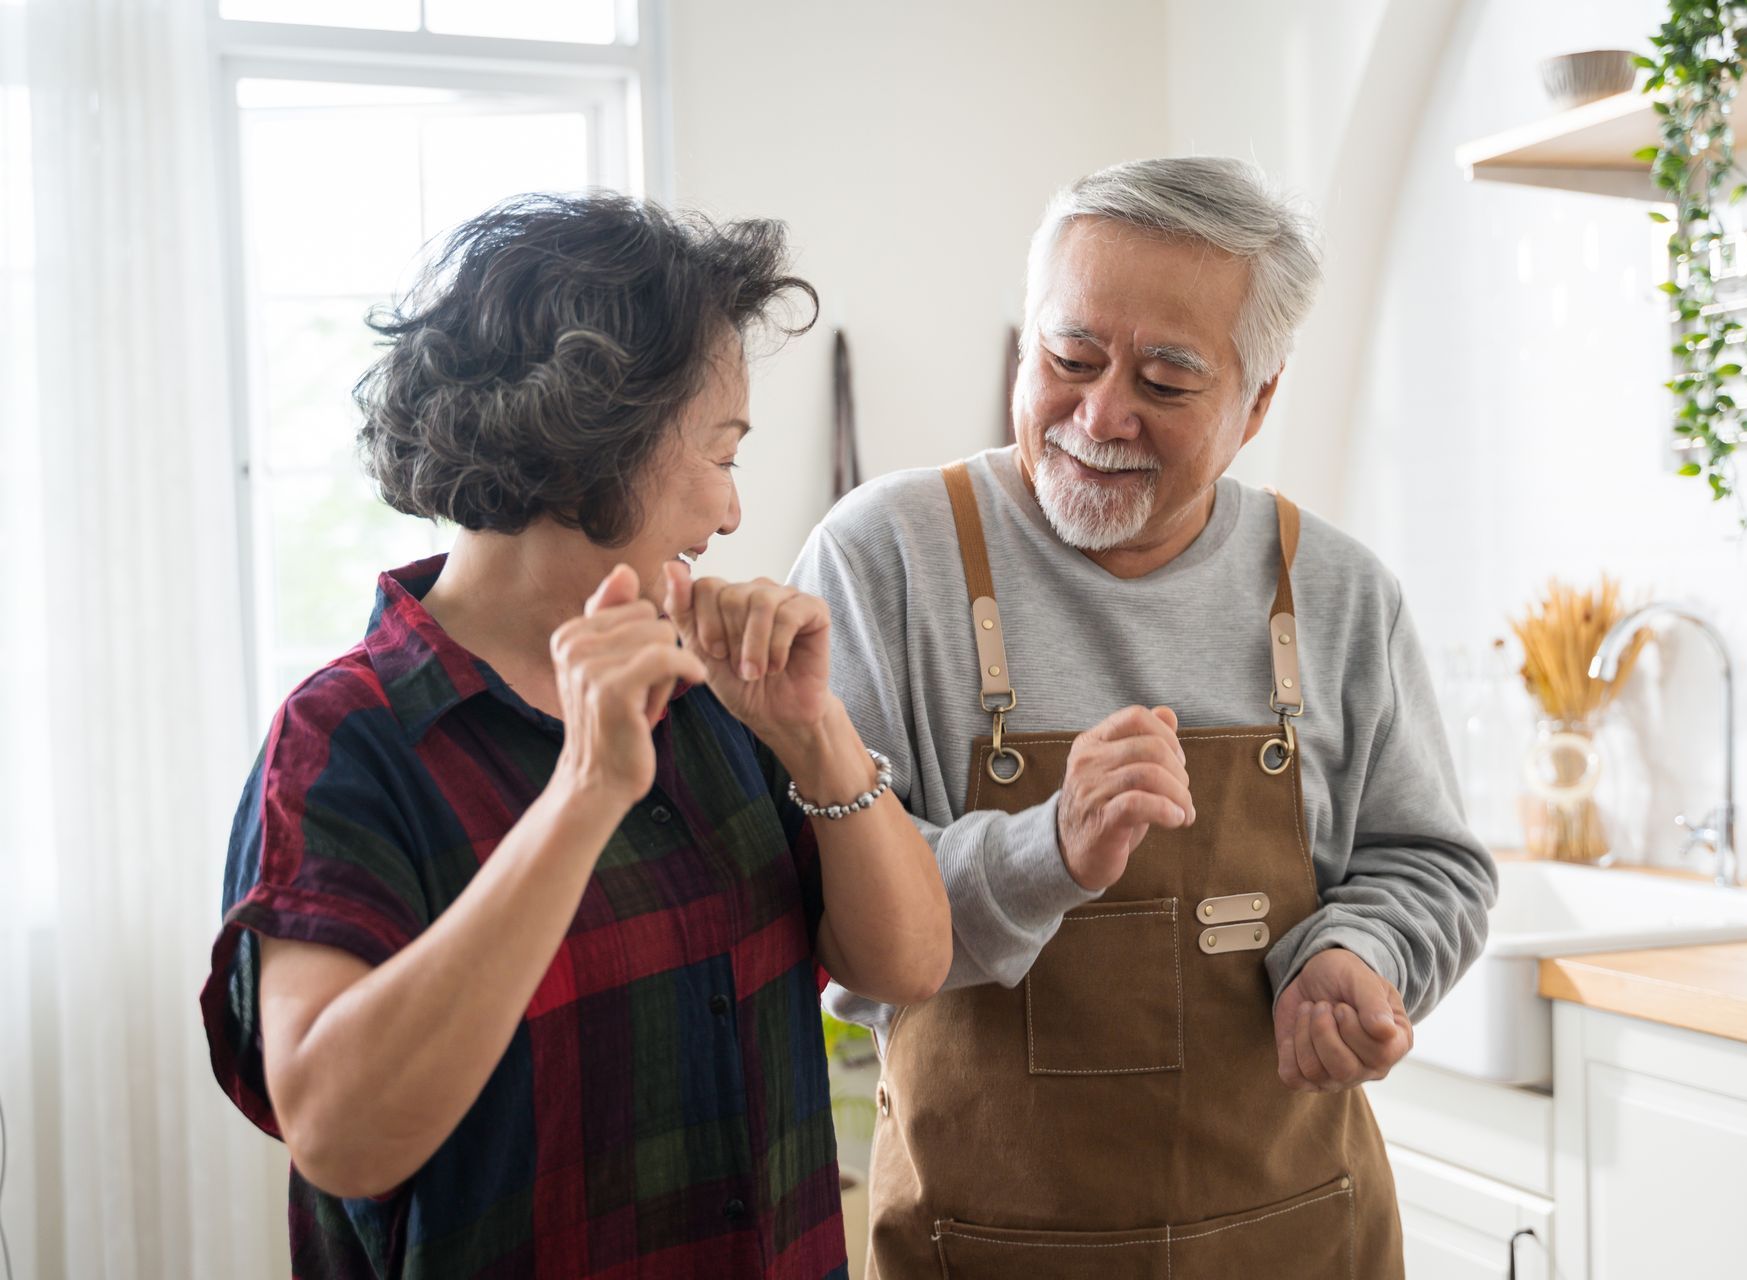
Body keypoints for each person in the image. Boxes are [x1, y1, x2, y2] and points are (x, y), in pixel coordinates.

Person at [200, 192, 950, 1279]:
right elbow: (339, 1131)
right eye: (722, 451)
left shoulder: (708, 690)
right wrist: (584, 791)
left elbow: (910, 961)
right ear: (603, 435)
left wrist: (814, 732)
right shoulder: (346, 741)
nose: (733, 513)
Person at [788, 157, 1496, 1277]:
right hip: (980, 1249)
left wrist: (1362, 953)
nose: (1099, 413)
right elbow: (834, 930)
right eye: (1070, 359)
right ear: (1029, 344)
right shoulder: (886, 559)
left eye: (1166, 382)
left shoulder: (1339, 591)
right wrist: (1044, 850)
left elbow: (1433, 864)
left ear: (1258, 401)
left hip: (1298, 1239)